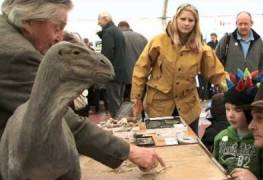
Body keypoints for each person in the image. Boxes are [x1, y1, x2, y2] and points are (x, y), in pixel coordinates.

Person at [0, 0, 164, 175]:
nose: (59, 37)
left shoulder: (13, 32)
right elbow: (53, 116)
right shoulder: (16, 54)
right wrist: (129, 151)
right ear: (28, 21)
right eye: (57, 27)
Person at [130, 3, 227, 135]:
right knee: (159, 145)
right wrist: (136, 98)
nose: (186, 23)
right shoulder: (158, 41)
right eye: (183, 19)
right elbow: (141, 68)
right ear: (176, 19)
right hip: (158, 107)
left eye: (190, 20)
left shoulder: (202, 48)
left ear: (195, 23)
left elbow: (217, 73)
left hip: (188, 108)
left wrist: (233, 92)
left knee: (189, 147)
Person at [213, 69, 263, 179]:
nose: (231, 115)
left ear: (250, 112)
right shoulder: (220, 138)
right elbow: (212, 167)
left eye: (237, 110)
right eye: (227, 109)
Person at [97, 10, 131, 118]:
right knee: (119, 105)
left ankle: (117, 130)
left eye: (99, 20)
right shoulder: (117, 31)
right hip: (121, 74)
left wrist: (102, 70)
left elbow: (107, 55)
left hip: (113, 75)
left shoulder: (109, 32)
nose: (98, 23)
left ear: (105, 19)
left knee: (115, 107)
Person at [117, 20, 148, 101]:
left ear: (118, 28)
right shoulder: (142, 37)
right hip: (141, 77)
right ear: (128, 27)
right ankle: (141, 113)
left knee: (124, 106)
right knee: (140, 102)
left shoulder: (117, 38)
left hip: (123, 79)